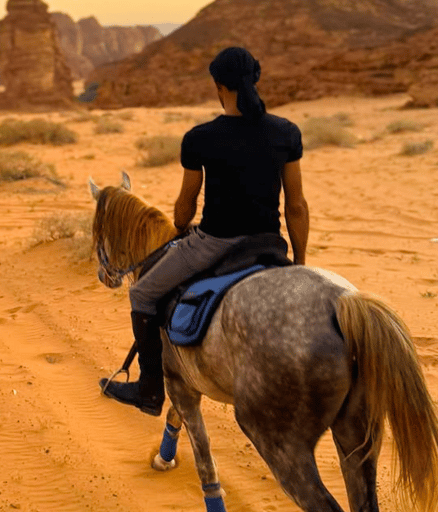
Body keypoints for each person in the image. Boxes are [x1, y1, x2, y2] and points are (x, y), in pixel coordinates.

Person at [100, 47, 309, 416]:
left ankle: (149, 390)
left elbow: (186, 205)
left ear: (218, 86)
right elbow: (296, 205)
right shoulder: (286, 133)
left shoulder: (200, 138)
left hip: (214, 243)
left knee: (144, 293)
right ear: (255, 79)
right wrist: (301, 261)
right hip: (269, 243)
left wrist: (179, 230)